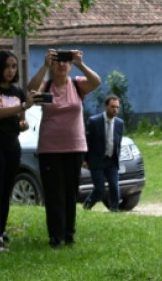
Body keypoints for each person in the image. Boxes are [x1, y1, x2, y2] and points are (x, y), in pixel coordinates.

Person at [27, 49, 101, 248]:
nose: (61, 65)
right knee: (53, 193)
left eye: (65, 62)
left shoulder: (77, 85)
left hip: (74, 146)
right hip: (50, 148)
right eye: (57, 62)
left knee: (70, 192)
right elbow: (30, 89)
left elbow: (96, 82)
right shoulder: (47, 85)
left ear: (70, 65)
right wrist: (44, 66)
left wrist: (80, 64)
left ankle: (69, 233)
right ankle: (55, 235)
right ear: (52, 65)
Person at [0, 51, 35, 252]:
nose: (10, 71)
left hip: (11, 146)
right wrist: (24, 105)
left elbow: (18, 119)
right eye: (6, 66)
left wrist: (23, 124)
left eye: (14, 66)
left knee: (5, 191)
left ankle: (0, 231)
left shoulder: (17, 92)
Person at [83, 94, 124, 211]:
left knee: (114, 186)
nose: (115, 110)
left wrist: (117, 155)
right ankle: (87, 206)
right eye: (112, 107)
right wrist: (84, 159)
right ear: (105, 106)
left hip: (111, 160)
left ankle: (115, 209)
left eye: (117, 107)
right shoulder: (94, 121)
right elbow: (87, 141)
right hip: (97, 161)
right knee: (99, 188)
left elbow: (118, 142)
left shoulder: (120, 123)